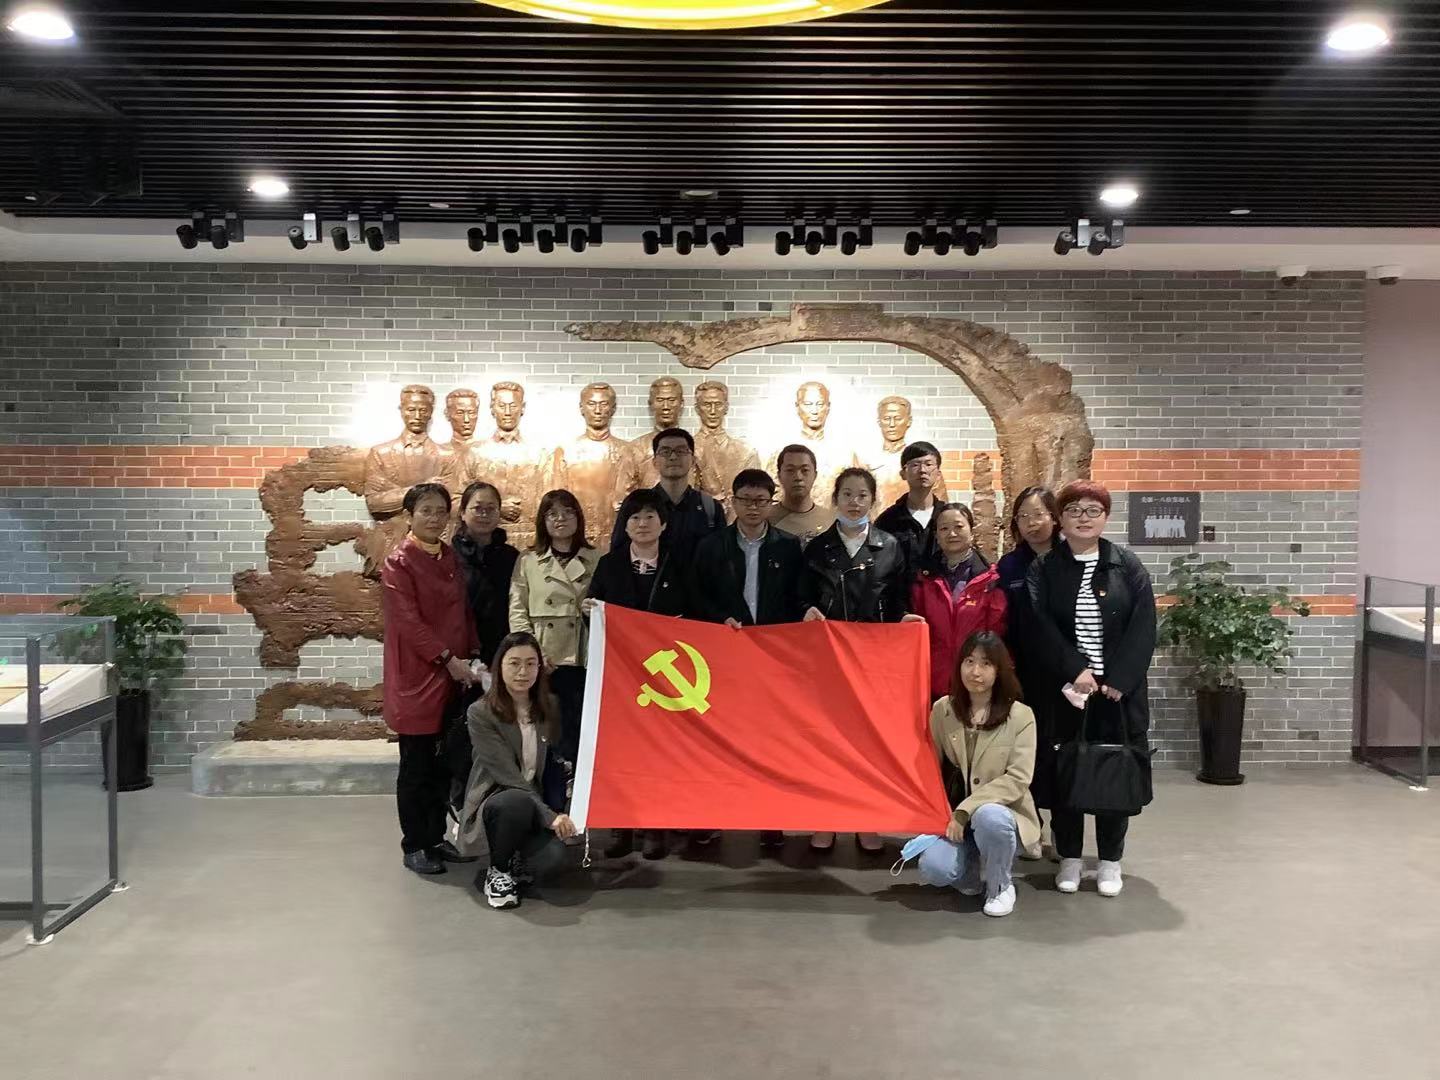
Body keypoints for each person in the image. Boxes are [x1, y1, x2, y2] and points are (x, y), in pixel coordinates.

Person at [1026, 480, 1156, 898]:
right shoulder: (1044, 568)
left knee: (1113, 774)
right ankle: (1069, 857)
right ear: (1060, 519)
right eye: (1074, 510)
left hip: (1117, 695)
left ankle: (1110, 861)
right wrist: (1075, 669)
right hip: (1068, 692)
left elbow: (1144, 626)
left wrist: (1119, 679)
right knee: (1066, 773)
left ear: (1105, 517)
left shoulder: (1126, 565)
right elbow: (1039, 625)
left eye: (1093, 510)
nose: (1083, 518)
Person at [800, 466, 919, 853]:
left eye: (862, 495)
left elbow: (899, 599)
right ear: (835, 499)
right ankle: (826, 819)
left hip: (874, 660)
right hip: (828, 660)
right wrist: (806, 610)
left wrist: (904, 619)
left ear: (873, 500)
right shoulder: (817, 548)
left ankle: (868, 819)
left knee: (870, 743)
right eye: (847, 495)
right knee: (827, 742)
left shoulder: (891, 546)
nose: (854, 502)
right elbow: (801, 597)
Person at [687, 467, 806, 851]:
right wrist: (719, 618)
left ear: (771, 503)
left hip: (772, 660)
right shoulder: (711, 546)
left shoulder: (788, 547)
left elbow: (798, 597)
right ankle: (713, 816)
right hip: (724, 657)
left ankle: (770, 819)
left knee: (771, 742)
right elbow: (696, 596)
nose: (753, 508)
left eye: (760, 501)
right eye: (745, 500)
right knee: (718, 740)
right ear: (733, 502)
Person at [380, 482, 478, 877]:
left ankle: (436, 838)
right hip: (418, 677)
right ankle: (415, 844)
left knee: (443, 764)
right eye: (426, 511)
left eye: (441, 511)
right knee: (416, 766)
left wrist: (471, 652)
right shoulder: (398, 562)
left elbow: (462, 611)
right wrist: (447, 658)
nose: (435, 518)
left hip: (454, 674)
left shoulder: (448, 555)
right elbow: (408, 623)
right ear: (409, 516)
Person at [586, 488, 689, 860]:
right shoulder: (609, 564)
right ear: (624, 525)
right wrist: (592, 611)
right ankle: (621, 827)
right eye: (634, 517)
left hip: (665, 678)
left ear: (664, 524)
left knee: (658, 752)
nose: (642, 524)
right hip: (621, 676)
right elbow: (595, 609)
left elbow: (695, 614)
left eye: (649, 517)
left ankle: (655, 827)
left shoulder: (680, 564)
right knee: (621, 751)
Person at [916, 631, 1040, 918]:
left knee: (989, 816)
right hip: (954, 819)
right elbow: (931, 767)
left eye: (986, 664)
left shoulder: (1021, 716)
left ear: (1000, 670)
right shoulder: (942, 710)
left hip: (1003, 815)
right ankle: (968, 870)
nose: (975, 672)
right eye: (969, 661)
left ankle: (1000, 885)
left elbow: (1018, 778)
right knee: (934, 868)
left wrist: (966, 809)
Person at [457, 632, 578, 910]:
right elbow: (507, 776)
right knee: (514, 800)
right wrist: (550, 817)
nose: (523, 672)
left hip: (534, 801)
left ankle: (515, 853)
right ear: (499, 666)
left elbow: (553, 765)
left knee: (553, 861)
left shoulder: (549, 706)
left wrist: (563, 811)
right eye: (514, 663)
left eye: (531, 663)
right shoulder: (480, 712)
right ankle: (498, 871)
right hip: (498, 798)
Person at [509, 489, 600, 764]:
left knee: (580, 728)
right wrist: (532, 653)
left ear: (578, 517)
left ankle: (577, 782)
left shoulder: (597, 558)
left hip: (583, 655)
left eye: (568, 512)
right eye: (552, 514)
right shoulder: (528, 560)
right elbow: (518, 610)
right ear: (543, 520)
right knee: (547, 730)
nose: (560, 519)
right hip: (545, 656)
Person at [995, 485, 1060, 817]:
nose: (1032, 523)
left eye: (1039, 515)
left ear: (1055, 517)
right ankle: (1030, 823)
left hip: (1066, 672)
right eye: (1023, 517)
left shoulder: (1071, 559)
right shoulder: (1008, 566)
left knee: (1061, 751)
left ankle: (1064, 826)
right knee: (1025, 749)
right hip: (1023, 672)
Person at [909, 503, 1007, 702]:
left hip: (977, 682)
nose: (951, 533)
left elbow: (996, 634)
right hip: (932, 681)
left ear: (971, 531)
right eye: (944, 528)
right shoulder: (923, 579)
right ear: (936, 535)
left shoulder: (990, 580)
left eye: (959, 526)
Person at [610, 427, 725, 556]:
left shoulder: (710, 507)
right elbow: (617, 555)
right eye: (665, 452)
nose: (673, 457)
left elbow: (722, 557)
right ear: (654, 462)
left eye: (681, 451)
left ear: (693, 460)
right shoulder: (636, 505)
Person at [452, 481, 521, 668]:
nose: (484, 514)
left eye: (491, 509)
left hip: (504, 652)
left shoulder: (512, 557)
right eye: (477, 508)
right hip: (459, 655)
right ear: (463, 512)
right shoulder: (449, 557)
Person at [875, 441, 945, 570]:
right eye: (915, 465)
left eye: (928, 464)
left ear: (938, 473)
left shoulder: (947, 516)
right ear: (903, 473)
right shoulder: (888, 520)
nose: (922, 470)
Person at [768, 444, 836, 547]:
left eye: (805, 470)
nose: (798, 477)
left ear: (815, 475)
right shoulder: (765, 520)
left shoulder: (831, 521)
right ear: (779, 476)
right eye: (790, 470)